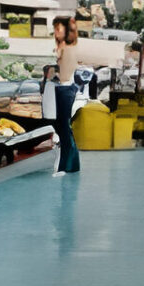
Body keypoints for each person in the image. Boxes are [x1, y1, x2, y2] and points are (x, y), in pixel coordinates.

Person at [44, 16, 84, 175]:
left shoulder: (68, 47)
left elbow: (63, 70)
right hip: (62, 88)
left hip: (66, 88)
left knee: (64, 128)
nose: (56, 32)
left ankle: (66, 166)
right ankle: (71, 165)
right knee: (63, 128)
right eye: (55, 29)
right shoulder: (62, 46)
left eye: (59, 28)